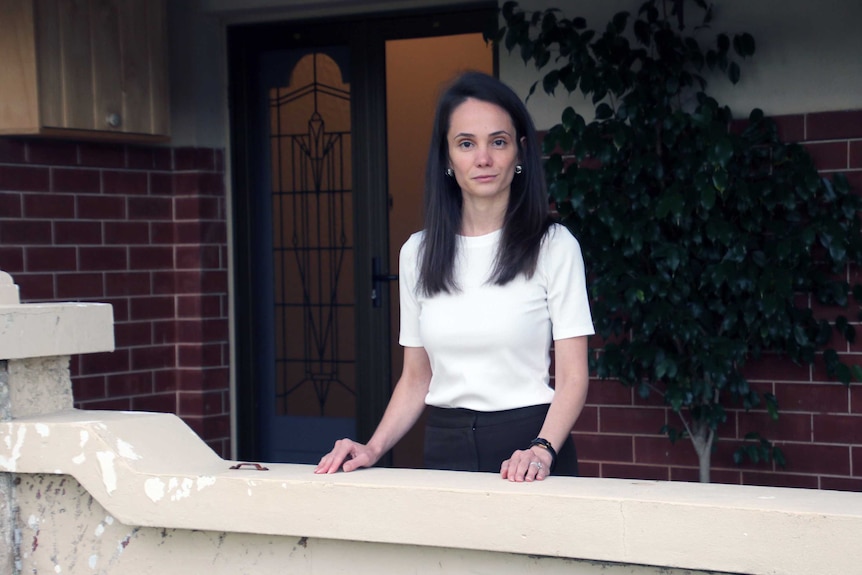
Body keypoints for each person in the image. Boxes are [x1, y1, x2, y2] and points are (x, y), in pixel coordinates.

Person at [315, 71, 594, 482]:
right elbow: (416, 378)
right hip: (445, 446)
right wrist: (372, 447)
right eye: (466, 144)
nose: (483, 158)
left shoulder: (554, 246)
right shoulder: (418, 253)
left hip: (531, 451)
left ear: (519, 152)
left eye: (497, 142)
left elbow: (572, 376)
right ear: (447, 157)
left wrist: (543, 448)